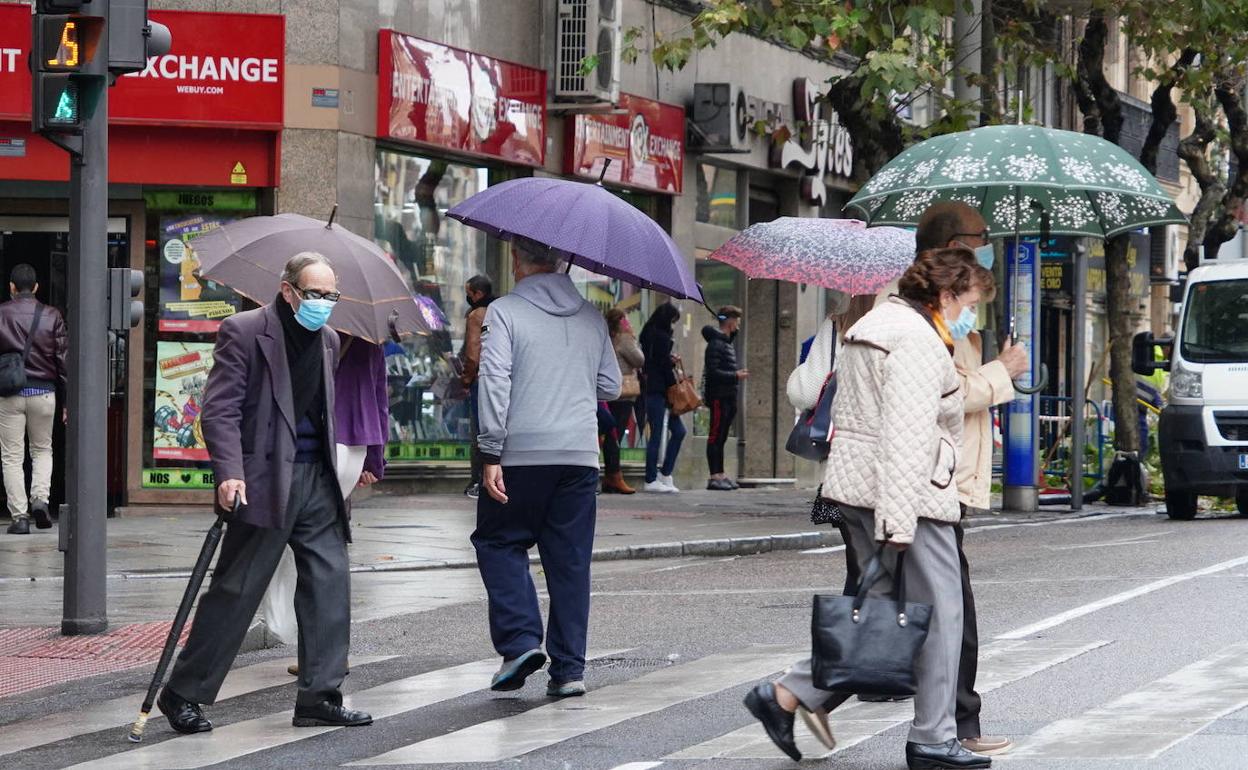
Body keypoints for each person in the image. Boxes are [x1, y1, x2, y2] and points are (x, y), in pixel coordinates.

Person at [743, 247, 995, 770]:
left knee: (877, 611)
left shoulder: (879, 321)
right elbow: (906, 437)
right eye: (971, 302)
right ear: (946, 295)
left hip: (861, 490)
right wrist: (899, 522)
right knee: (941, 615)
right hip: (909, 496)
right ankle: (932, 737)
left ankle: (787, 694)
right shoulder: (917, 341)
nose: (973, 315)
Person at [158, 252, 372, 734]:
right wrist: (229, 472)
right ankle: (183, 693)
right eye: (315, 294)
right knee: (237, 588)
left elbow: (321, 412)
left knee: (329, 584)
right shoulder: (246, 330)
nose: (323, 303)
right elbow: (220, 410)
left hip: (317, 477)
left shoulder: (330, 340)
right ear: (288, 289)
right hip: (263, 480)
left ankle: (320, 695)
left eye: (330, 295)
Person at [472, 237, 620, 698]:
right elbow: (611, 385)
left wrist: (490, 452)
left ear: (517, 260)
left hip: (522, 453)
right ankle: (569, 670)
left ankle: (519, 642)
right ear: (560, 262)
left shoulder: (505, 312)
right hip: (578, 456)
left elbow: (494, 381)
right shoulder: (591, 316)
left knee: (498, 541)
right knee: (570, 562)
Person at [912, 202, 1026, 756]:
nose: (988, 246)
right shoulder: (923, 320)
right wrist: (1004, 371)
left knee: (913, 606)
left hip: (941, 481)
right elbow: (952, 396)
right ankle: (796, 694)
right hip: (927, 484)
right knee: (942, 611)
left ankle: (798, 695)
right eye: (982, 238)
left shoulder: (955, 318)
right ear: (956, 244)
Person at [262, 332, 389, 669]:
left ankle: (314, 650)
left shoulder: (304, 334)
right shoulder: (368, 339)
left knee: (305, 551)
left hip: (315, 442)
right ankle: (327, 653)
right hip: (355, 444)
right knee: (327, 550)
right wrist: (374, 459)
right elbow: (379, 401)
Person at [786, 290, 875, 595]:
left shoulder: (838, 325)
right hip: (899, 466)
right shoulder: (914, 326)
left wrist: (803, 368)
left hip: (846, 466)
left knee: (860, 564)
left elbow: (805, 393)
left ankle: (853, 632)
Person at [0, 264, 66, 535]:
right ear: (36, 287)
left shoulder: (1, 313)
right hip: (44, 394)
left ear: (12, 287)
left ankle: (20, 517)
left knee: (12, 457)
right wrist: (67, 402)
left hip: (10, 395)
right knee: (42, 450)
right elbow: (63, 360)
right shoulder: (52, 315)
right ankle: (40, 499)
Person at [639, 302, 684, 493]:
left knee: (677, 431)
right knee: (658, 434)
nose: (673, 325)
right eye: (673, 321)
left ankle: (664, 473)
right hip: (660, 390)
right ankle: (651, 478)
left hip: (652, 389)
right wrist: (671, 367)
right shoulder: (661, 338)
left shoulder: (648, 333)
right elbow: (662, 366)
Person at [702, 305, 748, 490]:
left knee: (721, 437)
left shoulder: (725, 343)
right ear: (729, 322)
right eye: (735, 321)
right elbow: (713, 372)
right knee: (715, 436)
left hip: (728, 395)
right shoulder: (715, 344)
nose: (737, 325)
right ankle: (714, 475)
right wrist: (735, 376)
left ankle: (720, 474)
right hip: (719, 396)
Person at [602, 308, 644, 494]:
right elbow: (639, 359)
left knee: (610, 434)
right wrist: (632, 337)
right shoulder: (624, 338)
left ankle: (612, 476)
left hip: (607, 392)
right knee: (615, 435)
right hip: (623, 393)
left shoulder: (605, 337)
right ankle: (614, 476)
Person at [461, 274, 495, 499]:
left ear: (478, 294)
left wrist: (465, 379)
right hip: (501, 377)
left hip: (481, 379)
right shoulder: (501, 310)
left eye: (469, 293)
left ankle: (478, 480)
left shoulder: (476, 315)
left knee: (479, 432)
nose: (467, 297)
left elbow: (473, 353)